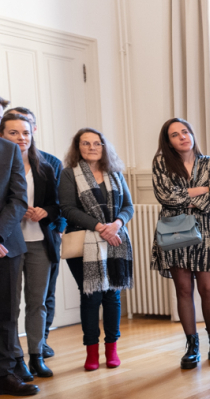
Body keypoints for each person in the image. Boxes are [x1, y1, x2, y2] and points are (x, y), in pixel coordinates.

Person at [151, 118, 210, 369]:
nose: (182, 137)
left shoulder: (209, 163)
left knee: (208, 288)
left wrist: (187, 197)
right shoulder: (161, 163)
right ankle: (191, 345)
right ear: (169, 142)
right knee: (183, 290)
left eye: (185, 132)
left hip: (206, 231)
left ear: (192, 134)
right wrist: (198, 190)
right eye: (175, 135)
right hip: (174, 230)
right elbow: (165, 197)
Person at [59, 128, 135, 372]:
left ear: (104, 147)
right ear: (77, 147)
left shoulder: (114, 173)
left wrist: (117, 224)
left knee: (112, 296)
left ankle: (111, 349)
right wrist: (101, 226)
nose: (92, 147)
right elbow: (68, 209)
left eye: (96, 143)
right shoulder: (69, 174)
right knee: (90, 296)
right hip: (84, 243)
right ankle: (91, 351)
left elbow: (128, 206)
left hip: (115, 239)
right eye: (85, 143)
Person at [1, 114, 59, 379]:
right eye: (13, 133)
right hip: (9, 245)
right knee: (10, 307)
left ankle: (36, 355)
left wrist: (43, 212)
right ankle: (15, 359)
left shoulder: (45, 167)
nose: (20, 138)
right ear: (3, 135)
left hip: (38, 243)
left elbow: (58, 206)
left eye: (25, 132)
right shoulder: (3, 162)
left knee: (38, 303)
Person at [0, 128, 33, 396]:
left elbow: (18, 198)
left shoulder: (9, 150)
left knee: (7, 313)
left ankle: (4, 374)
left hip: (6, 245)